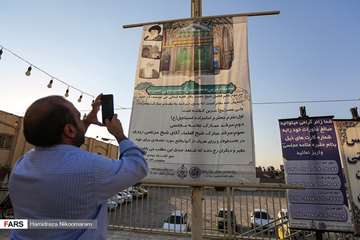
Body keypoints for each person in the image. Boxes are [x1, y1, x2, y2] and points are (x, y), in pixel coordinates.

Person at [8, 95, 148, 240]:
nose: (82, 120)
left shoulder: (21, 165)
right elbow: (138, 166)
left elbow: (65, 147)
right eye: (79, 116)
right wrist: (119, 134)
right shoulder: (91, 168)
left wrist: (87, 121)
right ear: (69, 130)